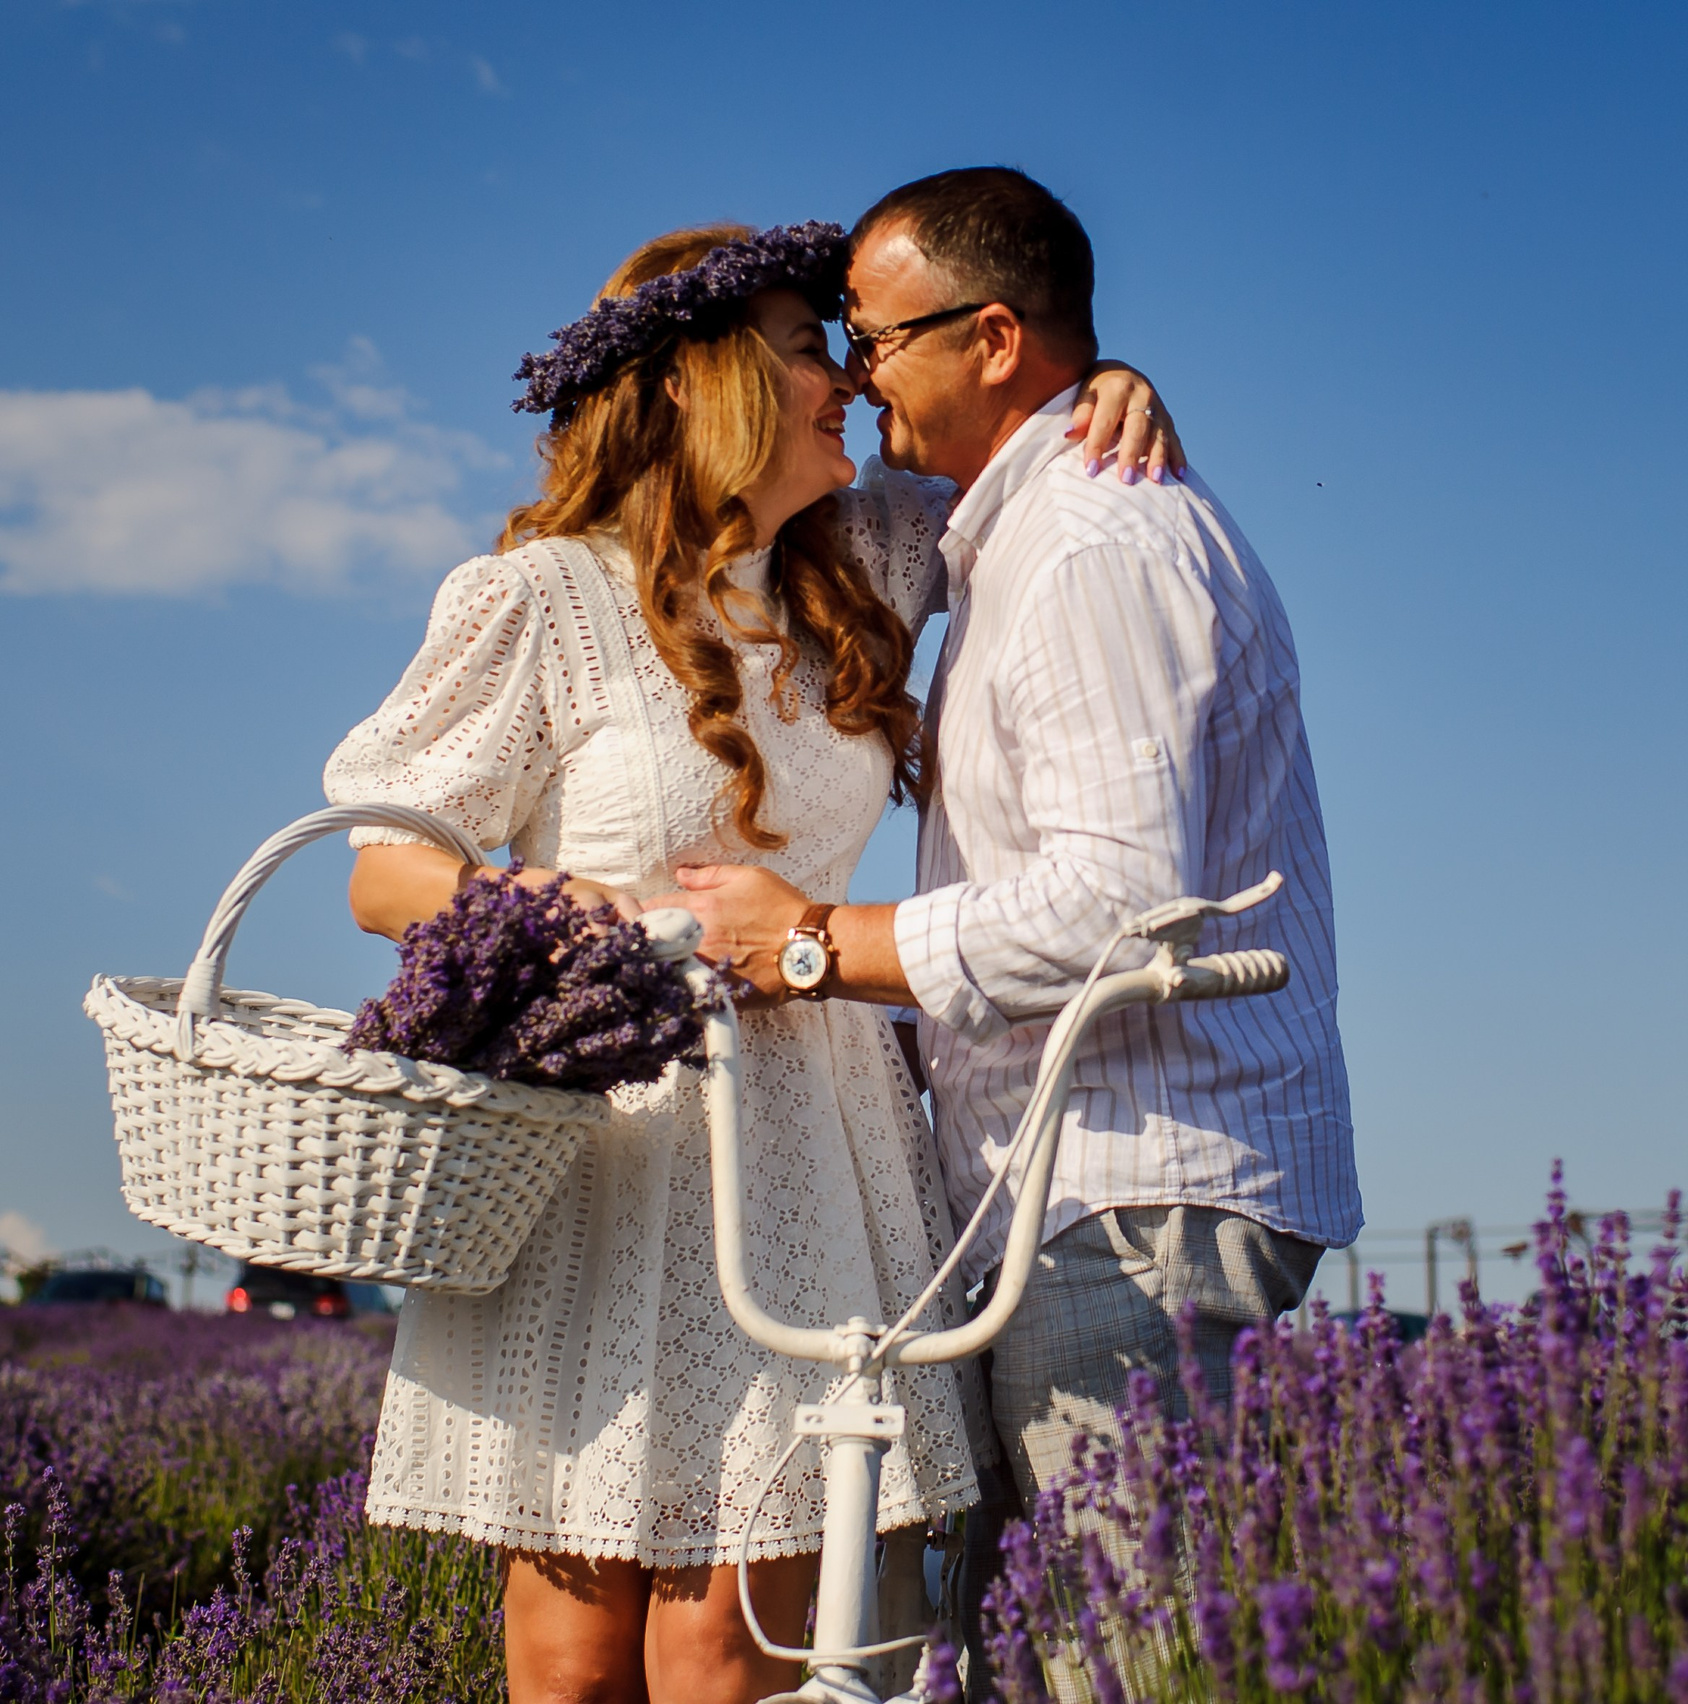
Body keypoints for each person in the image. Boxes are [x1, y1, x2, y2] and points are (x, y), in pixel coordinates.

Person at [320, 218, 1182, 1704]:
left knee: (738, 1645)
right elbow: (384, 870)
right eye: (808, 348)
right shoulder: (542, 599)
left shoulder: (870, 558)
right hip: (604, 1152)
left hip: (810, 1150)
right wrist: (586, 909)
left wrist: (1117, 382)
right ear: (704, 381)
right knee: (571, 1651)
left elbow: (1018, 442)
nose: (847, 375)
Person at [662, 168, 1362, 1682]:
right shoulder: (1009, 528)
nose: (855, 372)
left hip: (1126, 1198)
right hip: (1061, 1200)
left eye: (875, 336)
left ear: (989, 339)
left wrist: (815, 945)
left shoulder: (1093, 550)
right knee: (1035, 1661)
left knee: (1132, 1656)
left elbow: (1120, 900)